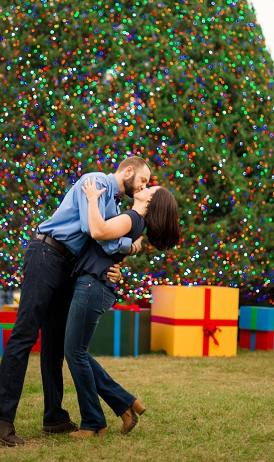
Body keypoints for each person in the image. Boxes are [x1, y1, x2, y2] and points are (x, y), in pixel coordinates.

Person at [0, 157, 152, 447]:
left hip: (67, 266)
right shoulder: (97, 182)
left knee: (54, 344)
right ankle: (1, 413)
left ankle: (54, 417)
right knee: (25, 333)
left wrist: (117, 263)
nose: (144, 186)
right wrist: (131, 245)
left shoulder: (111, 204)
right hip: (46, 255)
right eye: (144, 180)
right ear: (128, 171)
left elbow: (102, 244)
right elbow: (96, 233)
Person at [65, 178, 181, 438]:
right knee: (77, 353)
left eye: (149, 188)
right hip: (95, 285)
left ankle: (93, 423)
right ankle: (126, 404)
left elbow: (97, 231)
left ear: (151, 201)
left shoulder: (131, 218)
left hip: (92, 286)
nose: (144, 187)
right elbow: (113, 244)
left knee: (76, 354)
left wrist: (93, 199)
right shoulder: (133, 222)